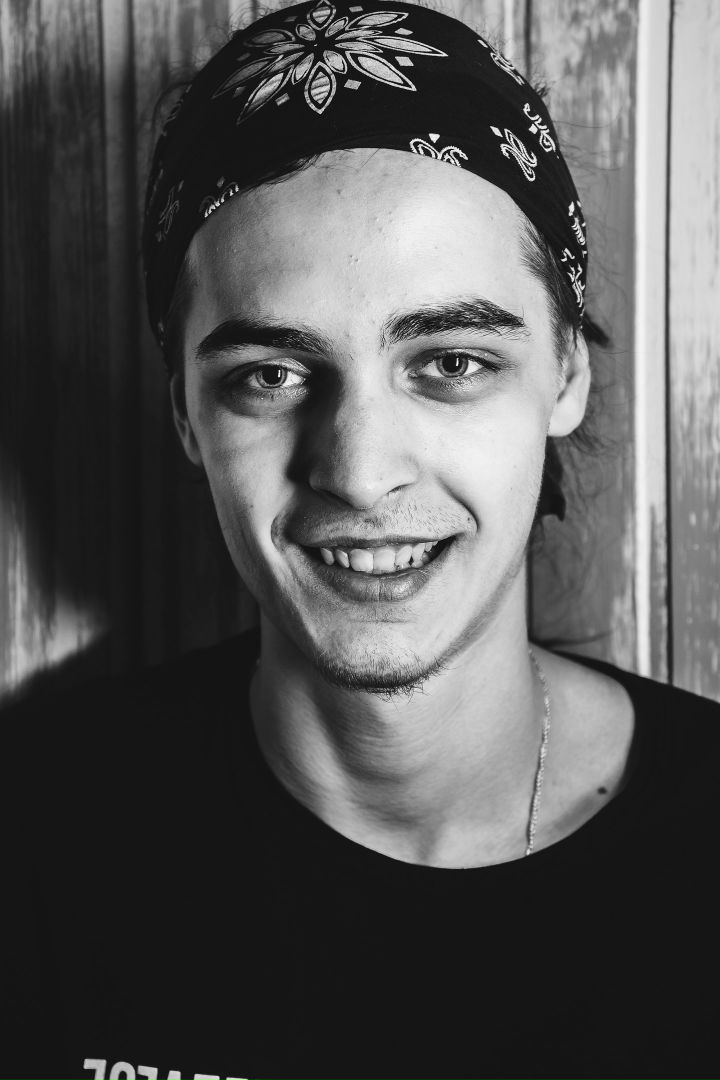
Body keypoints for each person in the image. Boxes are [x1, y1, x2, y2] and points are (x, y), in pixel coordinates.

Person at [3, 2, 718, 1078]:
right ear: (187, 415)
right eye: (270, 375)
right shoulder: (36, 841)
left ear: (566, 373)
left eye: (451, 362)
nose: (360, 469)